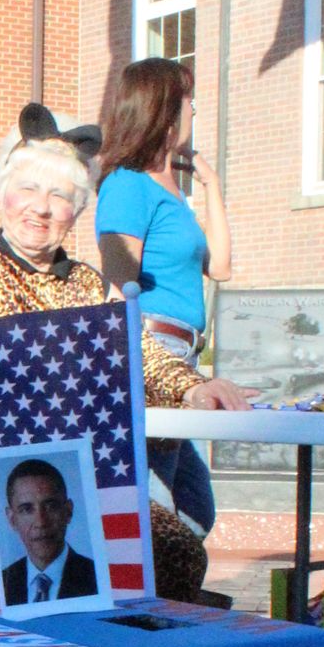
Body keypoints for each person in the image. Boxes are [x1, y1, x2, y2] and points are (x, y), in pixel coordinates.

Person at [0, 114, 241, 602]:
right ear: (4, 194)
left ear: (76, 212)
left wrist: (192, 385)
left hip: (81, 473)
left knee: (176, 551)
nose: (41, 208)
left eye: (59, 197)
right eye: (29, 189)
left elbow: (141, 352)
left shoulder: (88, 283)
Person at [93, 59, 249, 536]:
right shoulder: (127, 185)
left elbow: (219, 265)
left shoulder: (171, 190)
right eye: (190, 103)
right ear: (163, 109)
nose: (194, 113)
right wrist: (145, 366)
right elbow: (120, 292)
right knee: (161, 516)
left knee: (195, 513)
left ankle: (169, 600)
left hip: (185, 354)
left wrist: (212, 187)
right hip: (154, 352)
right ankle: (151, 606)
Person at [0, 457, 98, 605]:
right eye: (27, 509)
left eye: (51, 506)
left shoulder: (98, 578)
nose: (41, 522)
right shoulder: (2, 583)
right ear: (12, 519)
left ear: (68, 511)